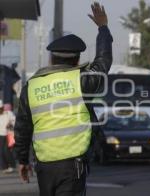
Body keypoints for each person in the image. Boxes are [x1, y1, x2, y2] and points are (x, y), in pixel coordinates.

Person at [14, 2, 112, 196]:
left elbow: (22, 128)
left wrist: (23, 161)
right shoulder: (82, 82)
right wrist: (103, 28)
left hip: (44, 168)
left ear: (51, 59)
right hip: (72, 167)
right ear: (77, 61)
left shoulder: (31, 87)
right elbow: (103, 61)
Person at [0, 100, 16, 174]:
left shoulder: (8, 113)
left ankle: (12, 165)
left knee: (6, 150)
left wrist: (10, 123)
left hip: (8, 134)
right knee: (1, 151)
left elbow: (14, 120)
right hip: (1, 135)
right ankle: (4, 167)